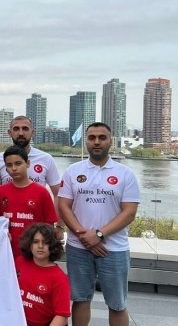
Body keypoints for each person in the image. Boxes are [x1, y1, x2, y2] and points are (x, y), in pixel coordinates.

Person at [58, 122, 140, 326]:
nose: (96, 142)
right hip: (78, 247)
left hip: (114, 249)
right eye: (92, 137)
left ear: (111, 142)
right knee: (80, 299)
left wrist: (99, 235)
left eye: (102, 138)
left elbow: (129, 212)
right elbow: (64, 206)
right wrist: (84, 236)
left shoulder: (125, 174)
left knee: (117, 304)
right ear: (86, 141)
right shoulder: (72, 171)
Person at [0, 116, 64, 239]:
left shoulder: (46, 159)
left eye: (25, 129)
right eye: (16, 129)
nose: (20, 133)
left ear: (32, 132)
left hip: (37, 231)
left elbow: (58, 194)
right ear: (9, 132)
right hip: (9, 232)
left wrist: (59, 226)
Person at [0, 146, 58, 259]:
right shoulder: (0, 191)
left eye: (18, 163)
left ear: (28, 163)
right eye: (9, 165)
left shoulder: (41, 192)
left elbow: (49, 227)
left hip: (33, 254)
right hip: (7, 252)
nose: (14, 168)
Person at [15, 223, 70, 326]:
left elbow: (62, 316)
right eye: (36, 242)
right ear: (29, 244)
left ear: (52, 245)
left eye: (45, 242)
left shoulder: (59, 278)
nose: (40, 246)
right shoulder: (20, 262)